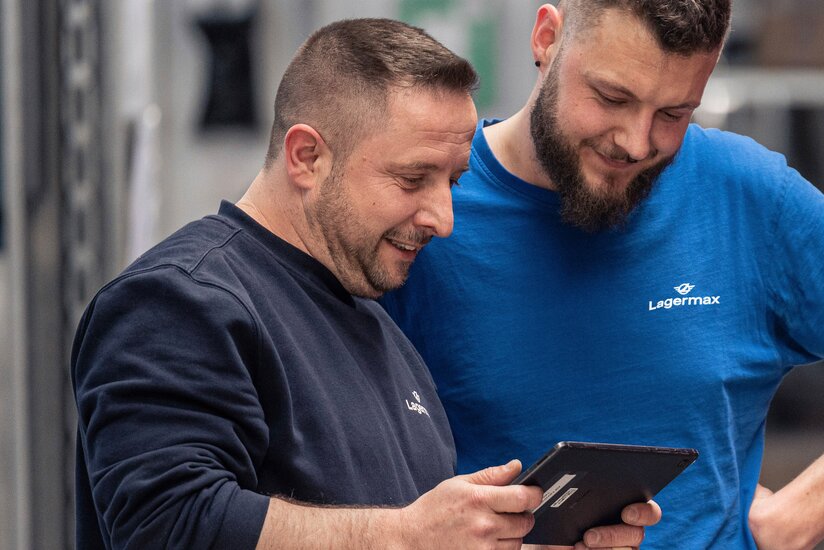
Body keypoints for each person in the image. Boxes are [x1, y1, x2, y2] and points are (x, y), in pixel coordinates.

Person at [72, 17, 659, 550]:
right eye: (411, 178)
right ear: (306, 156)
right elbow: (168, 523)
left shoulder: (374, 317)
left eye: (452, 182)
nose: (443, 219)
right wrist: (408, 535)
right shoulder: (179, 300)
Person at [381, 2, 824, 549]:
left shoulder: (747, 197)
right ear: (546, 39)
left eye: (675, 113)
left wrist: (796, 518)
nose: (637, 143)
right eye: (613, 98)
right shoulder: (426, 211)